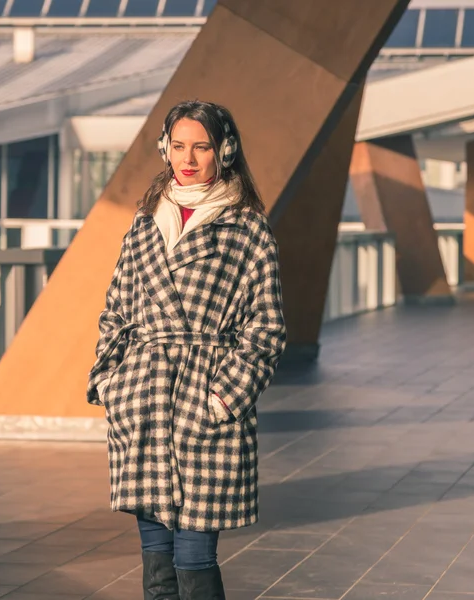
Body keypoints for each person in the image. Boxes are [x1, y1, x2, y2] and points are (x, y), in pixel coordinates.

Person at [86, 100, 287, 600]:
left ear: (226, 150)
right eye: (178, 146)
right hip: (145, 403)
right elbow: (115, 312)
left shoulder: (248, 230)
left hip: (205, 401)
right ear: (164, 149)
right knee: (156, 567)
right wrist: (113, 384)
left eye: (201, 146)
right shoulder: (144, 224)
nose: (189, 158)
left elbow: (266, 329)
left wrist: (221, 400)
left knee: (195, 559)